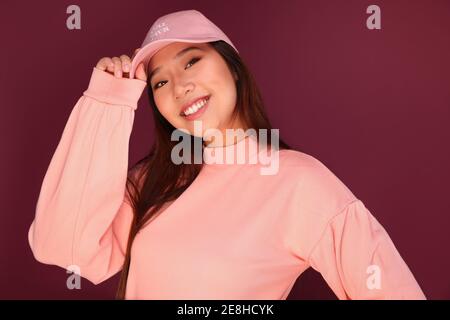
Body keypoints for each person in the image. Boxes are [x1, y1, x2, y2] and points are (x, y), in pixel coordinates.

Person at [28, 9, 426, 300]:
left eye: (192, 61)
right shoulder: (152, 181)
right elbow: (63, 248)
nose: (179, 86)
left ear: (233, 67)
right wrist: (107, 104)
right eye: (160, 81)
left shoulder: (300, 182)